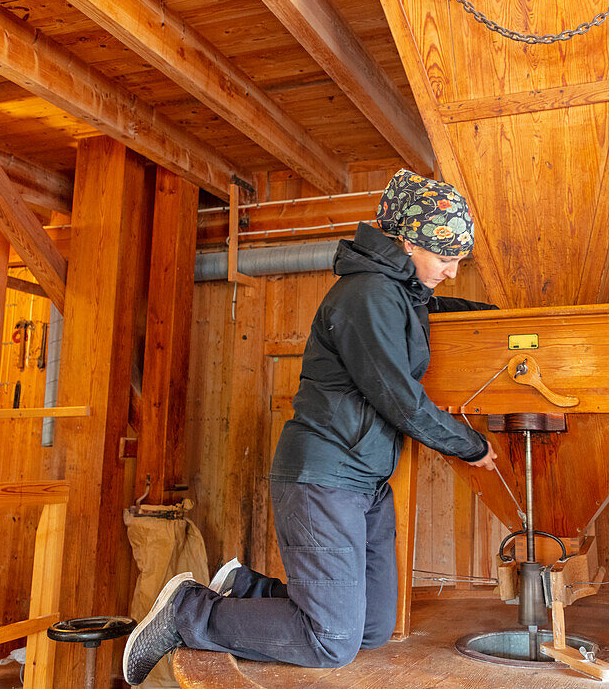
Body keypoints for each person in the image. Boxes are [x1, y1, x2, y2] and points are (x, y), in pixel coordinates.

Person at [123, 169, 499, 684]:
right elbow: (399, 399)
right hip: (324, 476)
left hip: (363, 481)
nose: (454, 271)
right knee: (333, 640)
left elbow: (432, 309)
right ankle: (186, 613)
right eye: (447, 258)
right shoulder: (367, 296)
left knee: (370, 627)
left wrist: (506, 321)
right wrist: (469, 445)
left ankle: (245, 590)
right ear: (410, 242)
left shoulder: (398, 293)